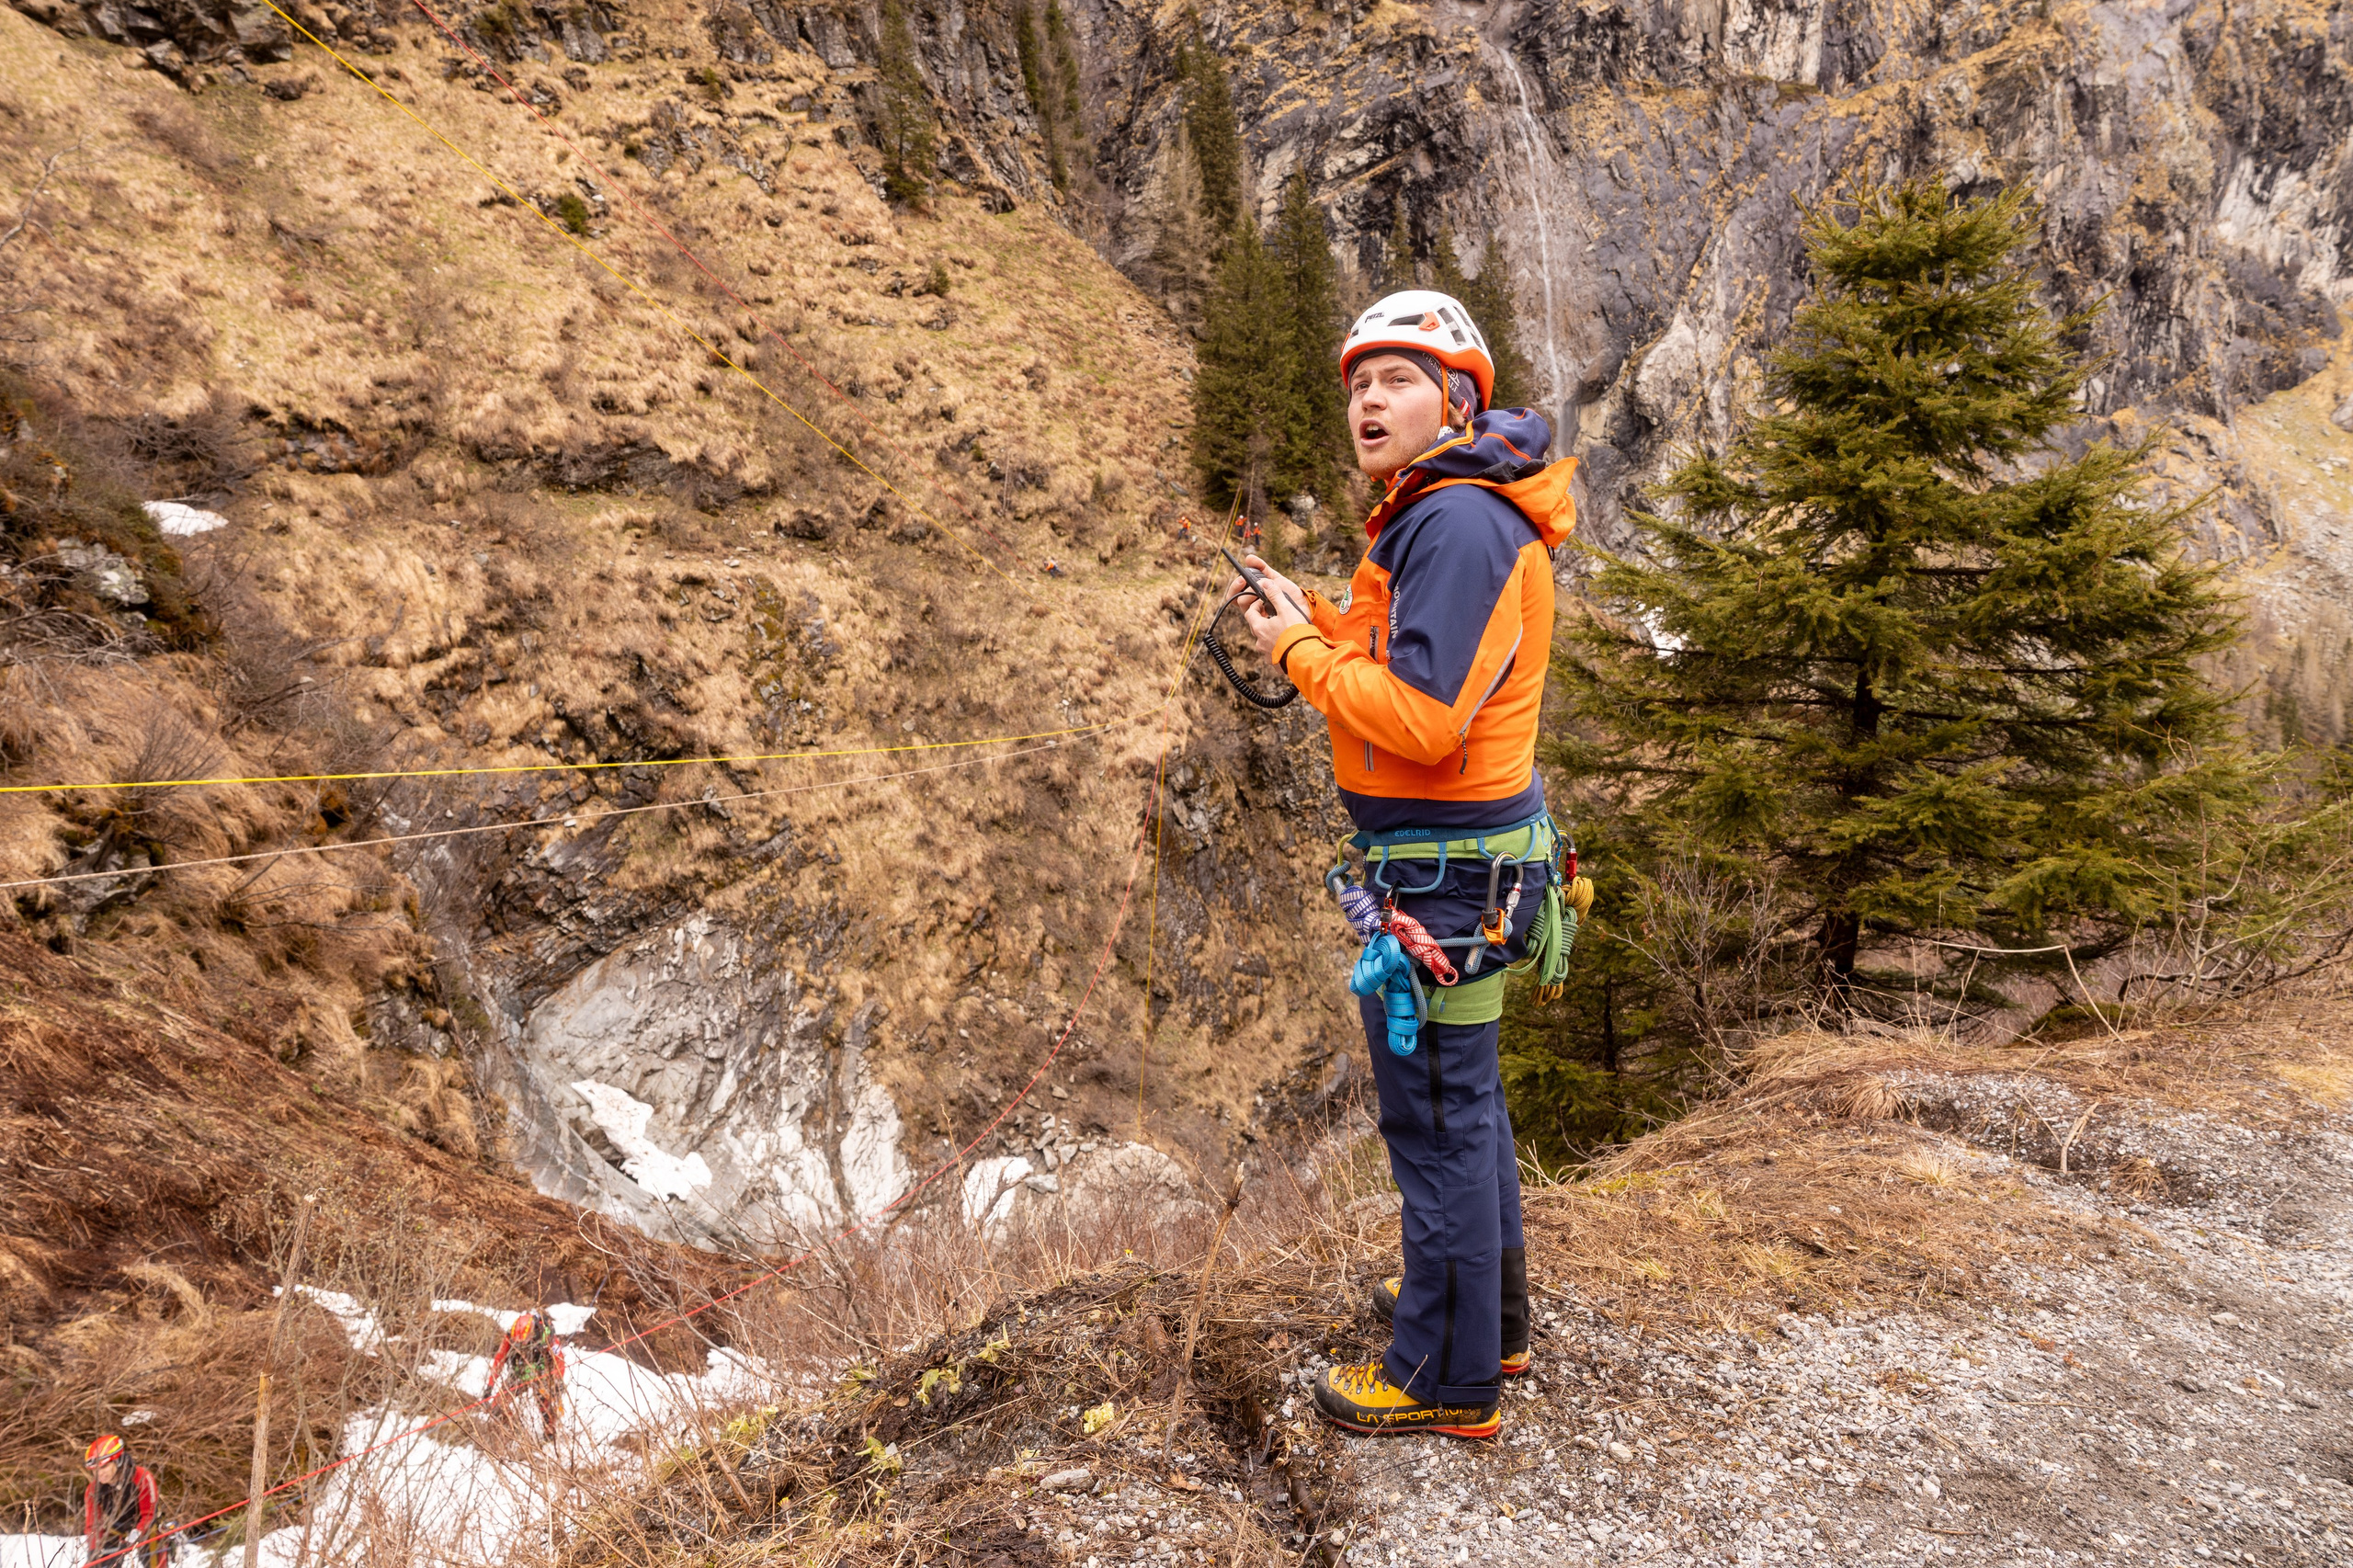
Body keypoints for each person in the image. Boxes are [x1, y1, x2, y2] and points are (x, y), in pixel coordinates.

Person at [1225, 289, 1575, 1439]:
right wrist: (1315, 620)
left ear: (1456, 398)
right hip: (1458, 864)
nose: (1368, 400)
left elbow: (1423, 716)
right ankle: (1489, 1323)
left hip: (1444, 877)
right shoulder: (1441, 510)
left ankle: (1443, 1372)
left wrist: (1293, 650)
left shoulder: (1460, 520)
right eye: (1357, 384)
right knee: (1461, 1107)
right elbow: (1403, 654)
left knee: (1434, 1116)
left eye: (1396, 380)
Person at [82, 1434, 166, 1568]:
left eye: (104, 1467)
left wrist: (135, 1536)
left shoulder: (142, 1478)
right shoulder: (93, 1490)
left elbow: (149, 1515)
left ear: (118, 1461)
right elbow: (93, 1526)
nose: (99, 1474)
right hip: (116, 1530)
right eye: (95, 1470)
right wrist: (93, 1553)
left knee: (154, 1560)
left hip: (145, 1528)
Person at [483, 1310, 568, 1441]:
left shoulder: (546, 1334)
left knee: (546, 1404)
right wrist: (490, 1386)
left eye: (525, 1341)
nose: (522, 1344)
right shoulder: (510, 1336)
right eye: (519, 1342)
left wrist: (557, 1380)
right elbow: (499, 1359)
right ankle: (516, 1431)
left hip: (542, 1373)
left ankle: (550, 1434)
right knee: (496, 1406)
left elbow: (559, 1358)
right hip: (520, 1373)